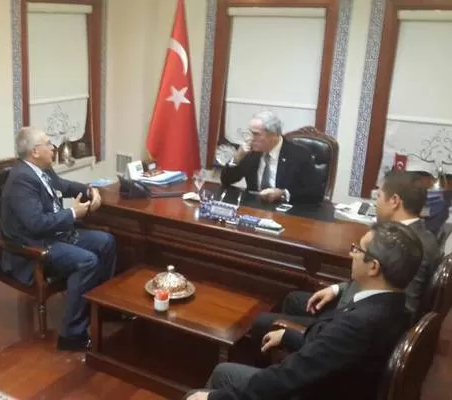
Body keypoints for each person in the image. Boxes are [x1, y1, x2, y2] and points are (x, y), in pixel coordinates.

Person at [185, 221, 423, 400]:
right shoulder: (395, 306)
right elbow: (331, 352)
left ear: (373, 267)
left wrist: (215, 398)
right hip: (333, 384)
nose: (352, 254)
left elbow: (288, 377)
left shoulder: (358, 324)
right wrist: (290, 336)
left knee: (211, 383)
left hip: (310, 392)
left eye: (357, 250)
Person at [249, 171, 440, 344]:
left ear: (395, 201)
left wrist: (335, 325)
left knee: (261, 322)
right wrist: (336, 289)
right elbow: (382, 282)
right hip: (353, 307)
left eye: (379, 196)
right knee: (293, 299)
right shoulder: (413, 234)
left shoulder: (412, 246)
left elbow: (402, 309)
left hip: (355, 323)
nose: (375, 203)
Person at [0, 127, 116, 351]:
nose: (53, 148)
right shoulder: (20, 180)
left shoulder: (42, 170)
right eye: (48, 143)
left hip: (56, 234)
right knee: (87, 261)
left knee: (106, 242)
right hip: (34, 246)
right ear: (35, 151)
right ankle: (71, 335)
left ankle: (102, 307)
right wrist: (73, 213)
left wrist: (90, 190)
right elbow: (36, 224)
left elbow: (65, 186)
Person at [220, 111, 323, 204]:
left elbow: (316, 192)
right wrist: (237, 158)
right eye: (250, 133)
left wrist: (283, 194)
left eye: (256, 134)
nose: (250, 138)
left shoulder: (299, 154)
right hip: (254, 207)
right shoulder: (250, 152)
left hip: (285, 210)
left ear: (273, 135)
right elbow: (226, 180)